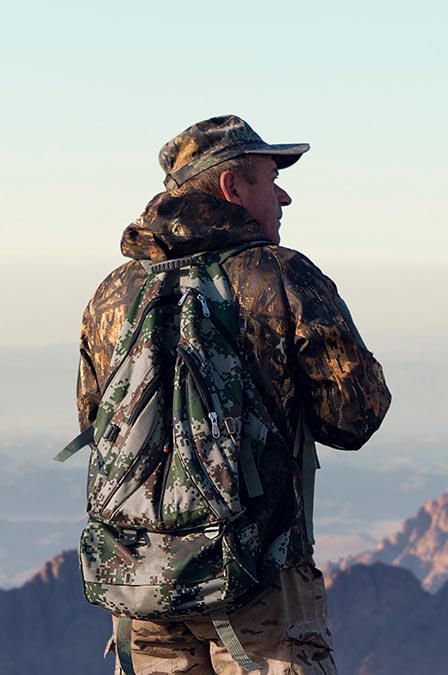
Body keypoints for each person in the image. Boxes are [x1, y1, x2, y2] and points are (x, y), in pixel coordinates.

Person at [75, 115, 391, 674]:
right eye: (271, 178)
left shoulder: (113, 293)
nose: (285, 194)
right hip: (260, 582)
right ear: (232, 188)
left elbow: (93, 420)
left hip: (143, 579)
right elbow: (353, 418)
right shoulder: (282, 276)